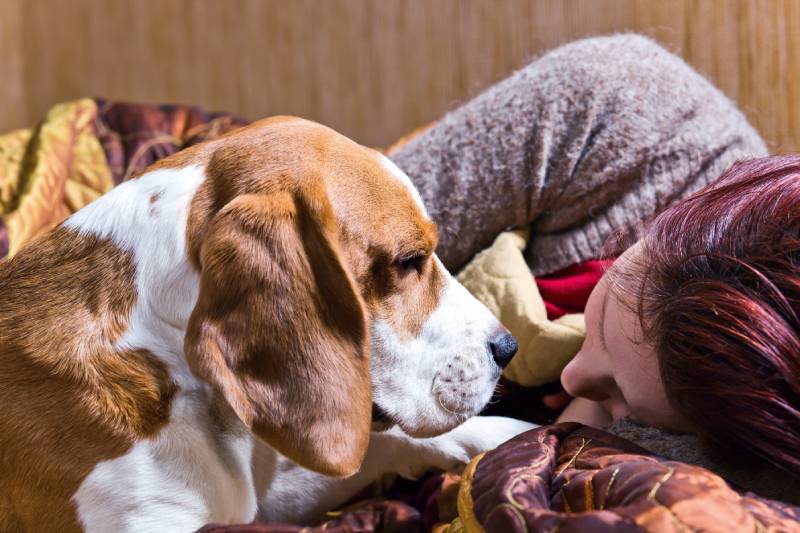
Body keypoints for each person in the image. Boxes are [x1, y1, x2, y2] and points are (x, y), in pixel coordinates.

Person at [390, 34, 800, 502]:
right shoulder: (614, 103)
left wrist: (595, 433)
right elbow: (350, 249)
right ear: (658, 226)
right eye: (601, 320)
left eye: (620, 401)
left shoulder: (758, 445)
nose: (573, 377)